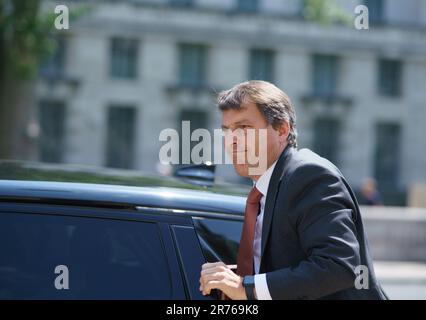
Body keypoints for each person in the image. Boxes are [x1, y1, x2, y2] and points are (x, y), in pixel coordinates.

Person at [199, 80, 388, 300]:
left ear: (282, 130)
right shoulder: (265, 186)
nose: (232, 141)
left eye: (244, 128)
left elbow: (339, 266)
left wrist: (247, 287)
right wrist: (231, 280)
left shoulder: (310, 175)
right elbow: (285, 263)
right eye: (227, 131)